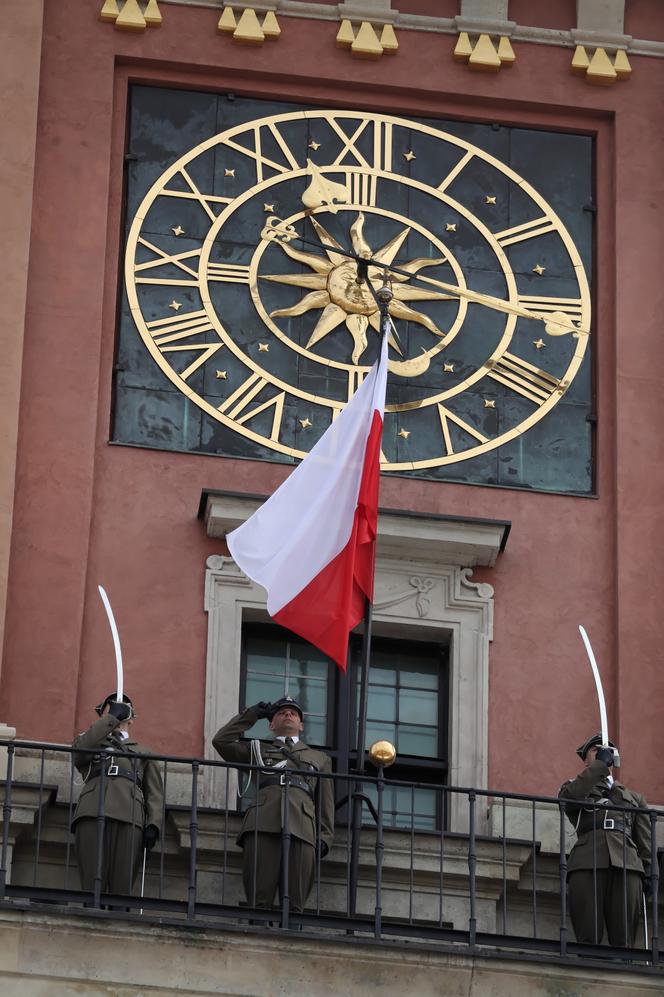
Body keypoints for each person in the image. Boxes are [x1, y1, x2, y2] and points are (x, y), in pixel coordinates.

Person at [213, 695, 334, 915]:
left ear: (301, 725)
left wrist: (325, 836)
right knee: (259, 897)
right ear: (271, 724)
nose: (288, 714)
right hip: (263, 822)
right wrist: (251, 715)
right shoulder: (256, 750)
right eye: (281, 712)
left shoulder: (320, 758)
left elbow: (325, 801)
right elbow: (221, 741)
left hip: (303, 827)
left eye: (293, 713)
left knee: (296, 901)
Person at [559, 733, 651, 946]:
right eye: (596, 749)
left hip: (627, 861)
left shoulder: (634, 797)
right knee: (588, 932)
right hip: (588, 857)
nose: (604, 751)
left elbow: (645, 838)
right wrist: (599, 766)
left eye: (608, 749)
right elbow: (567, 799)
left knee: (624, 936)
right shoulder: (576, 786)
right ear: (586, 759)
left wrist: (649, 871)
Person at [72, 693, 164, 899]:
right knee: (91, 879)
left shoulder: (143, 752)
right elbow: (79, 754)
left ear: (131, 717)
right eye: (111, 707)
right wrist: (110, 719)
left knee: (121, 885)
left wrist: (154, 825)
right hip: (93, 808)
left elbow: (154, 793)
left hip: (130, 813)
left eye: (124, 708)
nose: (119, 710)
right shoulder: (89, 741)